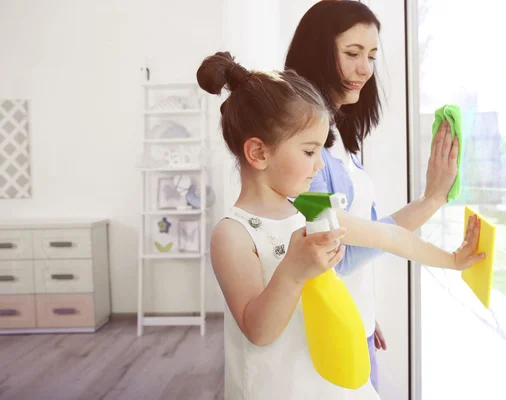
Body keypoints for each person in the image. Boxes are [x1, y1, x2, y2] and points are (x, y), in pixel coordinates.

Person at [198, 51, 483, 399]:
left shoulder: (312, 210)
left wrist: (452, 260)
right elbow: (258, 330)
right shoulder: (232, 234)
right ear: (258, 153)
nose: (319, 166)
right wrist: (292, 270)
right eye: (308, 151)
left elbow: (387, 235)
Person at [284, 0, 461, 390]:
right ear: (318, 51)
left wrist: (364, 307)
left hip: (355, 321)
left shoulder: (343, 142)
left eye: (372, 55)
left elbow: (360, 240)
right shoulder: (303, 148)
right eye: (352, 53)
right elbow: (334, 248)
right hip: (327, 334)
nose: (365, 68)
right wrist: (430, 201)